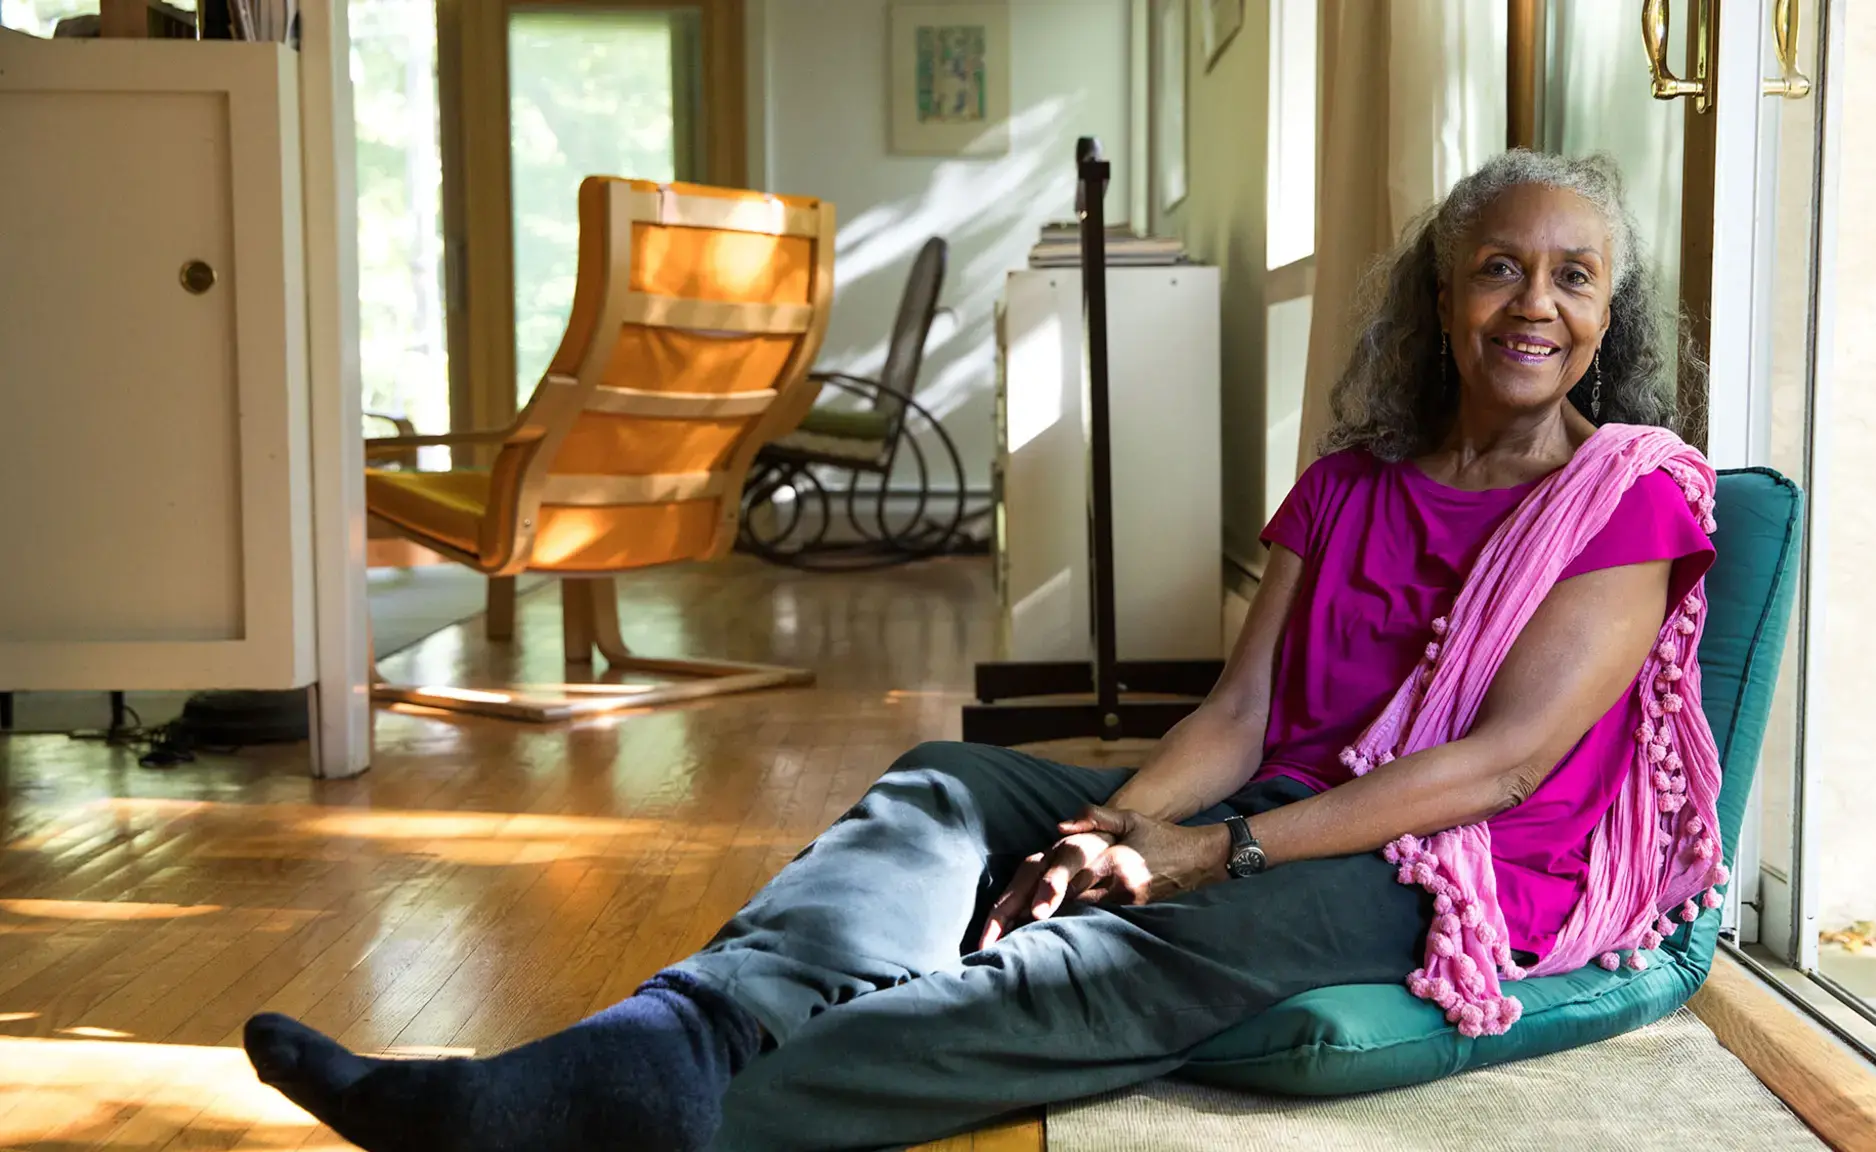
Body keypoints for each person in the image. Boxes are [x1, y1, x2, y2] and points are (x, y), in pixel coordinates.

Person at [241, 150, 1722, 1152]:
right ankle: (689, 1032)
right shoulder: (1347, 483)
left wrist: (1208, 858)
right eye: (1499, 269)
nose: (1535, 304)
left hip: (1445, 866)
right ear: (1441, 293)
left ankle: (614, 1104)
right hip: (1283, 799)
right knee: (950, 788)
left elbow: (1503, 760)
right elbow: (1244, 705)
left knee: (1130, 944)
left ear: (1610, 311)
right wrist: (1123, 820)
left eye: (1574, 277)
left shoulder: (1631, 488)